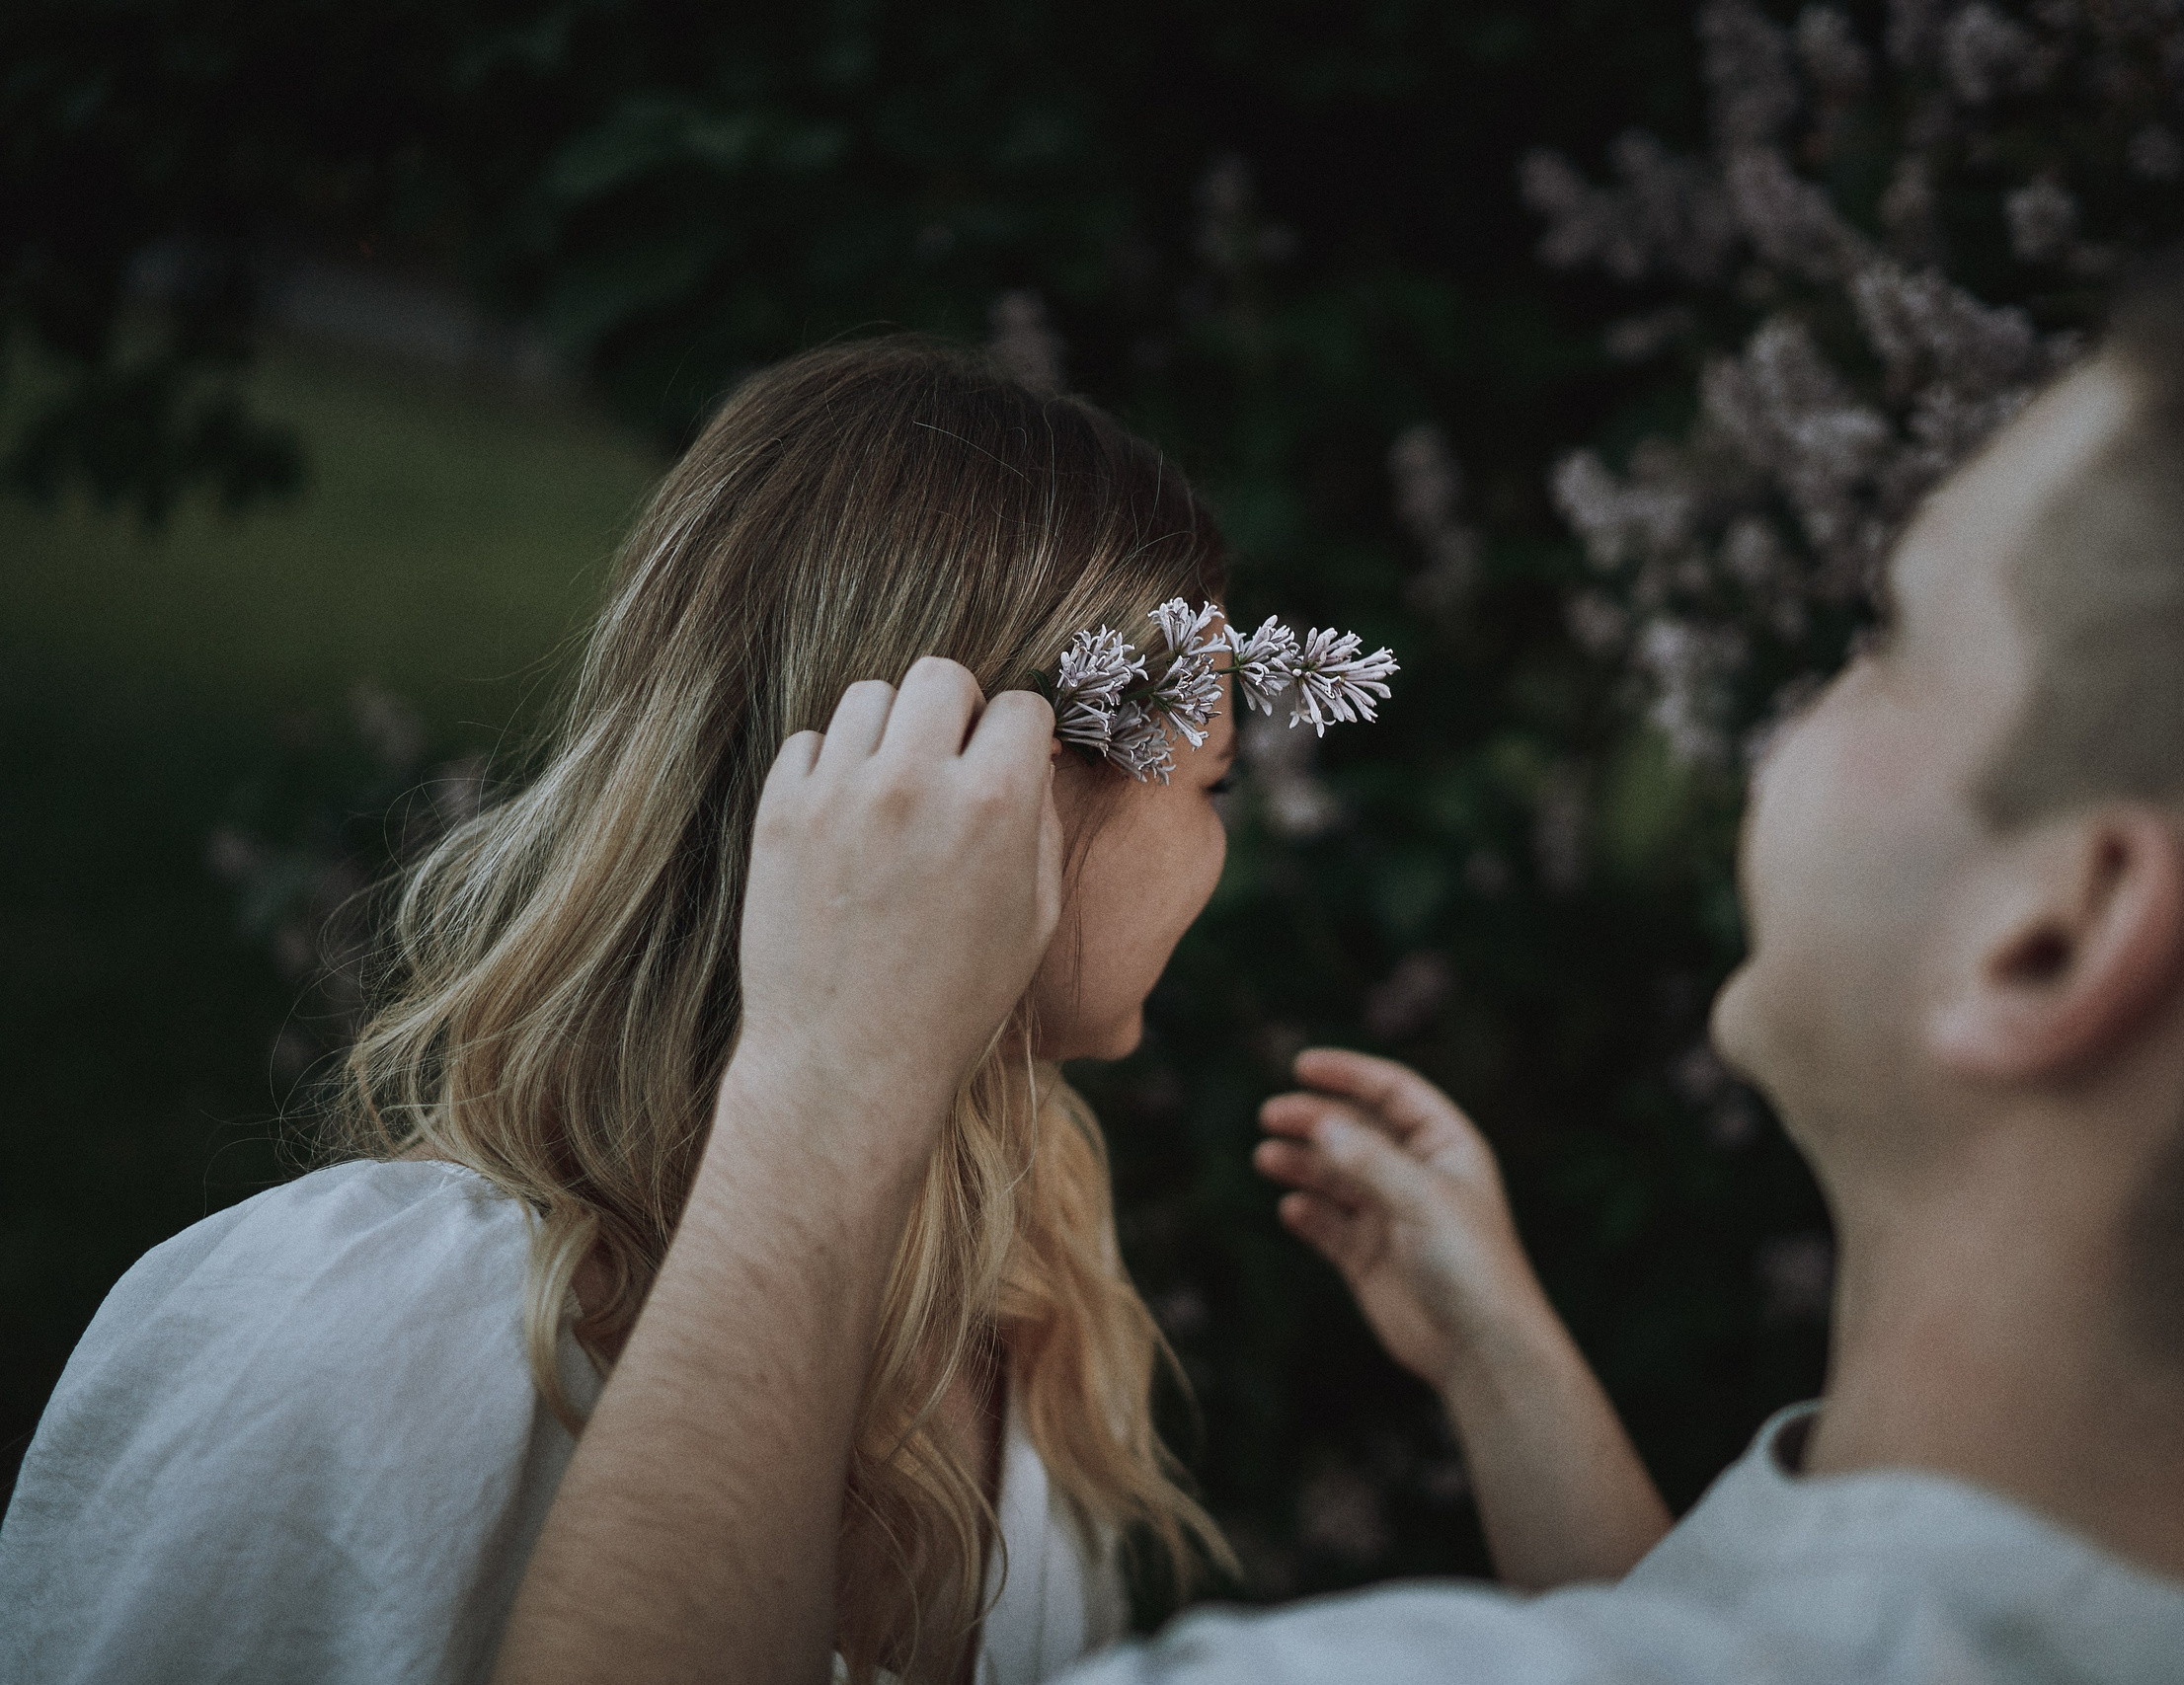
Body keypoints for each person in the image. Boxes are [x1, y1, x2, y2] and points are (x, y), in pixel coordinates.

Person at [482, 230, 2184, 1684]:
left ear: (2051, 937)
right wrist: (1507, 1362)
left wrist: (827, 1085)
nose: (1784, 710)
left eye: (1888, 637)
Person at [0, 338, 1415, 1685]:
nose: (1222, 846)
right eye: (1213, 783)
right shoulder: (351, 1353)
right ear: (999, 795)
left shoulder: (1023, 1319)